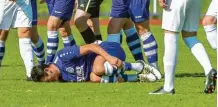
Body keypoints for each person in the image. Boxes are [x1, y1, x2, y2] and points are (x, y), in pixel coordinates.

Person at [31, 41, 162, 83]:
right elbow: (87, 78)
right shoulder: (63, 78)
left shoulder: (62, 56)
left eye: (48, 80)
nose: (52, 81)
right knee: (94, 77)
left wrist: (110, 58)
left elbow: (91, 47)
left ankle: (138, 65)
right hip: (102, 66)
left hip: (108, 49)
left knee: (98, 69)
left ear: (48, 70)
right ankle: (137, 77)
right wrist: (111, 80)